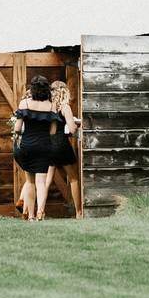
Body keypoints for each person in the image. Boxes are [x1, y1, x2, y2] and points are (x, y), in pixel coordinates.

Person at [12, 75, 60, 221]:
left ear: (32, 88)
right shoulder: (51, 106)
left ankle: (31, 216)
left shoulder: (24, 104)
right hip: (44, 146)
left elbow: (17, 128)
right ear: (47, 90)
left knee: (30, 182)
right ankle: (40, 212)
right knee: (41, 182)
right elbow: (52, 132)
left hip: (28, 146)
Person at [46, 80, 82, 218]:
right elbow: (72, 129)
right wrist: (76, 125)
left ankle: (39, 210)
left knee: (47, 179)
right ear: (64, 91)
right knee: (73, 178)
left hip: (48, 144)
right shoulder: (64, 107)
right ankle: (78, 212)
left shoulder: (48, 106)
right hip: (61, 144)